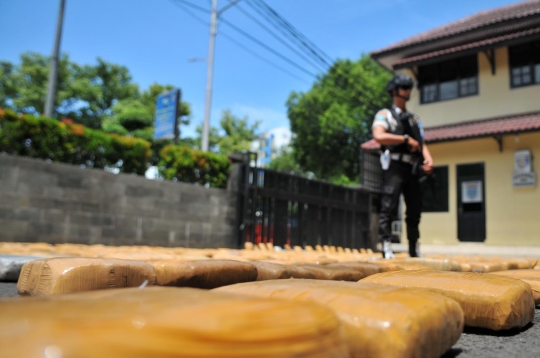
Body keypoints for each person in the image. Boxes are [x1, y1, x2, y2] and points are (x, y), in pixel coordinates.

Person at [371, 74, 433, 259]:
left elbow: (422, 142)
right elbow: (379, 136)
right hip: (394, 164)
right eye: (404, 87)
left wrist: (428, 160)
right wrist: (404, 139)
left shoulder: (414, 119)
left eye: (409, 88)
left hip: (412, 166)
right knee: (389, 204)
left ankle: (414, 247)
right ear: (394, 90)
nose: (408, 91)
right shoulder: (385, 115)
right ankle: (386, 245)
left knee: (415, 207)